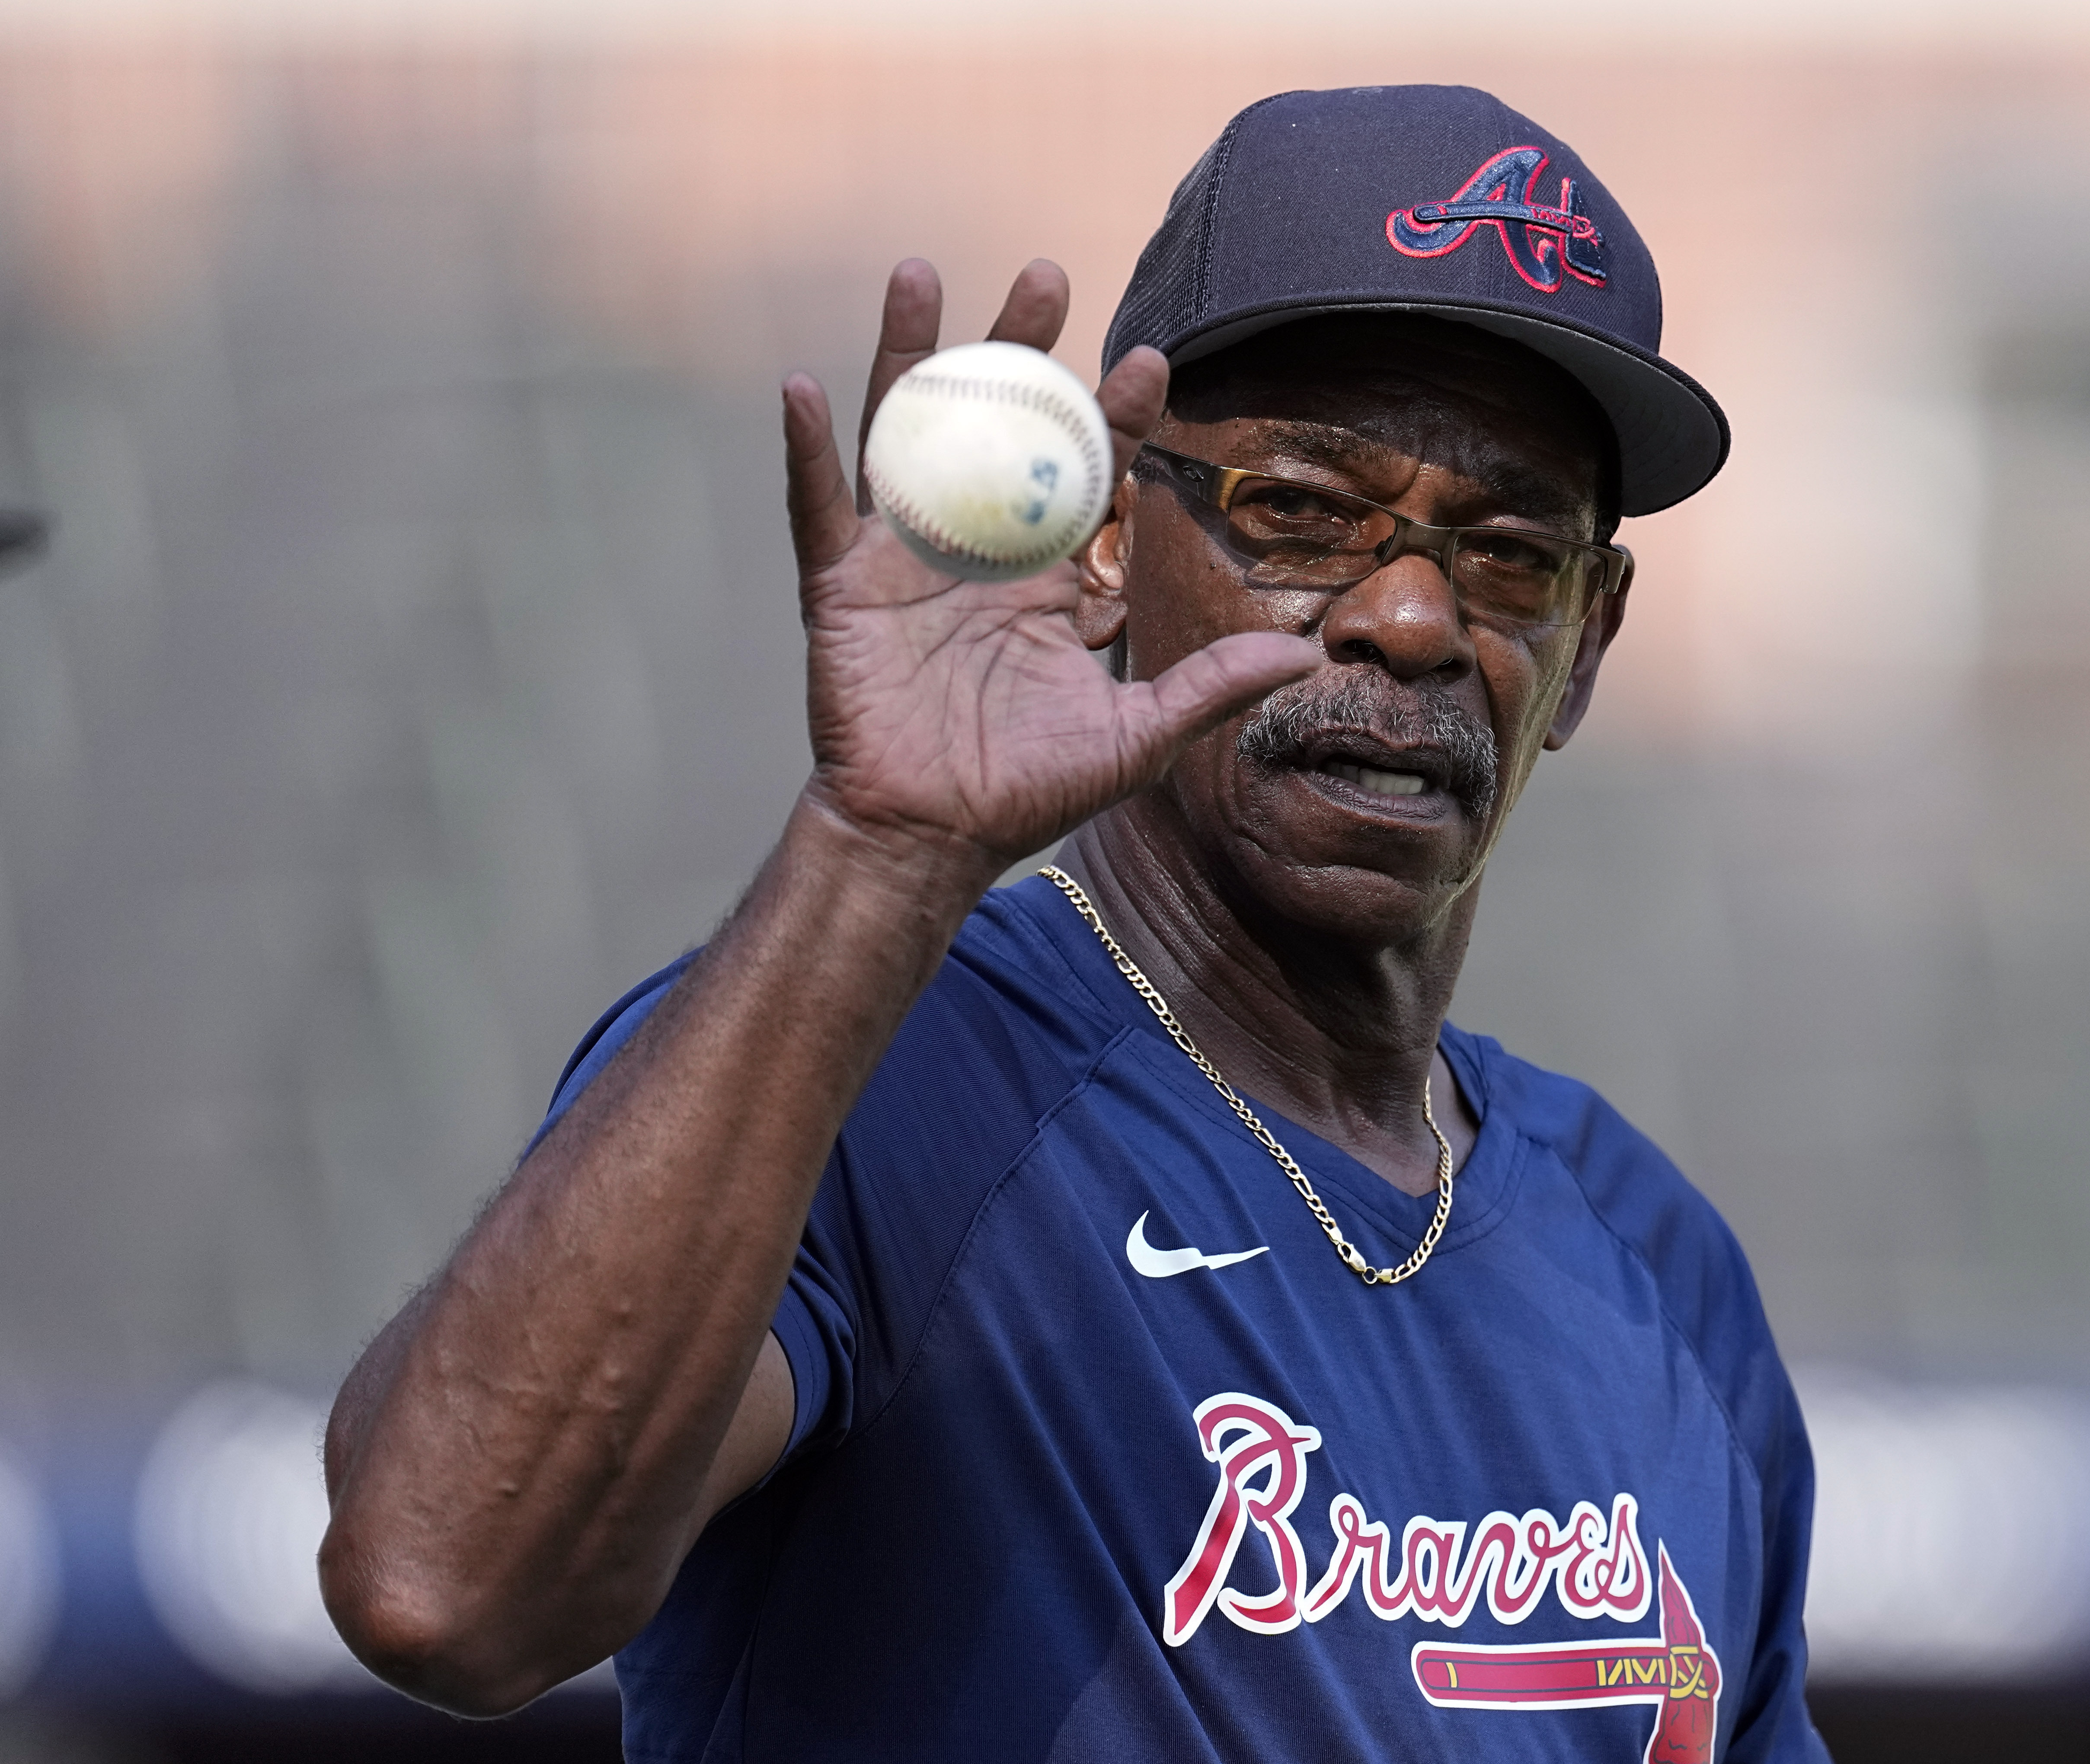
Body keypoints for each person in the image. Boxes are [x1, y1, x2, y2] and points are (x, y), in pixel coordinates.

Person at [320, 84, 1829, 1764]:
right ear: (1107, 537)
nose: (1409, 620)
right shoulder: (883, 1082)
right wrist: (879, 849)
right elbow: (446, 1583)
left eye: (1510, 555)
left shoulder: (1659, 1267)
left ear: (1591, 643)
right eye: (1303, 513)